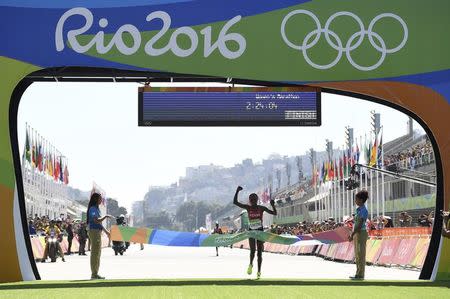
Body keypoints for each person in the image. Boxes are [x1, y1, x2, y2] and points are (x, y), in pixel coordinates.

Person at [233, 186, 277, 279]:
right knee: (252, 251)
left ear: (256, 200)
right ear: (250, 200)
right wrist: (237, 191)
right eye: (251, 199)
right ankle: (251, 264)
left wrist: (273, 205)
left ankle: (259, 271)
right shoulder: (248, 208)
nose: (253, 201)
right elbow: (235, 202)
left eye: (254, 199)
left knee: (259, 253)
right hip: (251, 232)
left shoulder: (261, 208)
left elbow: (274, 213)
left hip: (260, 232)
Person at [87, 193, 112, 280]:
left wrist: (106, 232)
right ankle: (94, 274)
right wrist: (105, 216)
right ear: (96, 199)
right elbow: (96, 220)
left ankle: (95, 273)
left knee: (98, 253)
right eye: (100, 198)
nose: (101, 200)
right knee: (95, 253)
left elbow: (99, 223)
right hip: (93, 232)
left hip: (97, 231)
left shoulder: (97, 209)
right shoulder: (93, 209)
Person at [348, 190, 369, 280]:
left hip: (361, 233)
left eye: (356, 199)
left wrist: (352, 234)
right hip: (357, 233)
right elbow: (355, 223)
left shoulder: (363, 210)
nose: (355, 201)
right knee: (357, 254)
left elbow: (360, 224)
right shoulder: (358, 210)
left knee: (361, 254)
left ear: (361, 200)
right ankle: (357, 273)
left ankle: (361, 275)